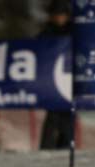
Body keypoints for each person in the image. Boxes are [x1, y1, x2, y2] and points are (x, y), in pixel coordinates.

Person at [39, 0, 73, 150]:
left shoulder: (74, 31)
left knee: (68, 117)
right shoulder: (47, 32)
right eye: (56, 15)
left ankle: (65, 147)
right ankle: (46, 148)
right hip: (51, 83)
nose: (59, 18)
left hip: (68, 83)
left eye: (62, 15)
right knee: (52, 117)